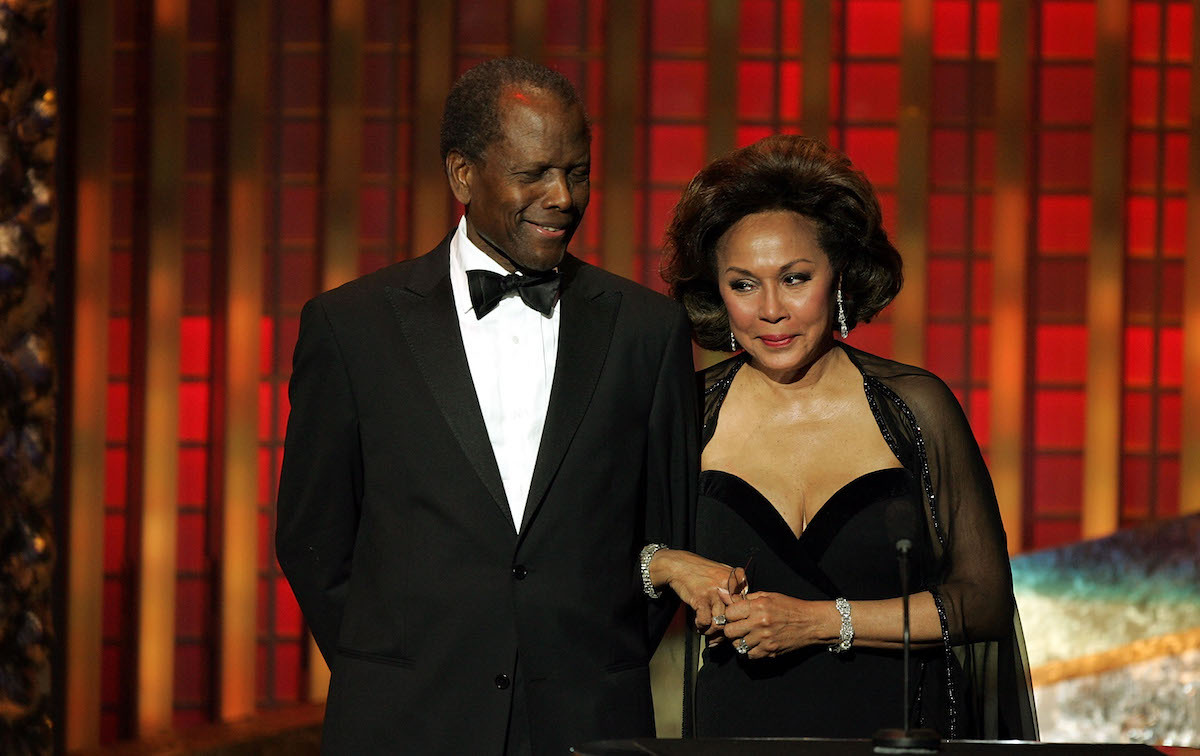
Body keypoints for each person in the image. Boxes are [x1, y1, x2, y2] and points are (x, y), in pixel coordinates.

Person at [275, 58, 727, 755]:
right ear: (463, 174)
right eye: (534, 173)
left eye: (577, 172)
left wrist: (582, 652)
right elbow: (314, 540)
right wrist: (394, 669)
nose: (563, 197)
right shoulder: (351, 327)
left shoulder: (646, 330)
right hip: (403, 722)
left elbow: (664, 530)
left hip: (587, 719)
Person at [656, 135, 1039, 740]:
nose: (771, 311)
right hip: (737, 737)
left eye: (795, 278)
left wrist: (818, 622)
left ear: (839, 275)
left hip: (899, 736)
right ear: (717, 293)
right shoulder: (688, 410)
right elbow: (599, 559)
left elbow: (983, 601)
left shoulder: (915, 407)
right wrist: (666, 562)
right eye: (744, 284)